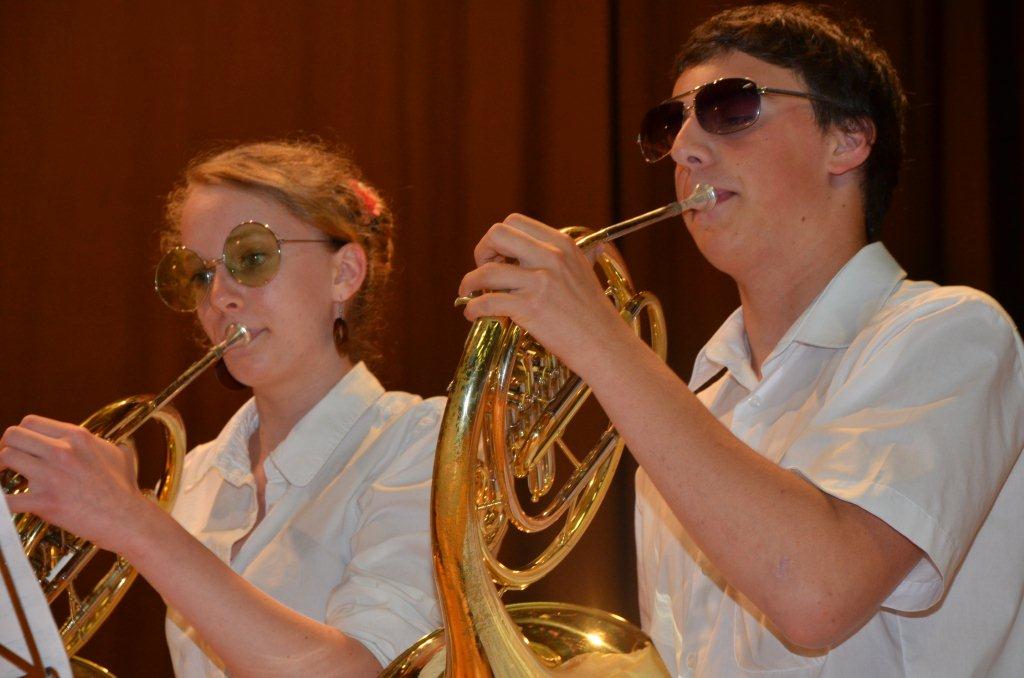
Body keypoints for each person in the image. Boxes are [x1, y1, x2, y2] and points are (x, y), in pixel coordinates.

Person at [457, 4, 1024, 676]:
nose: (684, 149)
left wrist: (598, 339)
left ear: (847, 140)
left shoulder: (953, 333)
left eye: (730, 108)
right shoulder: (696, 403)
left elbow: (818, 595)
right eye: (669, 124)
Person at [0, 139, 444, 676]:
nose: (219, 299)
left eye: (252, 259)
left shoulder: (424, 441)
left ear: (344, 273)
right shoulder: (195, 476)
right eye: (199, 274)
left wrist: (131, 520)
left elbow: (366, 669)